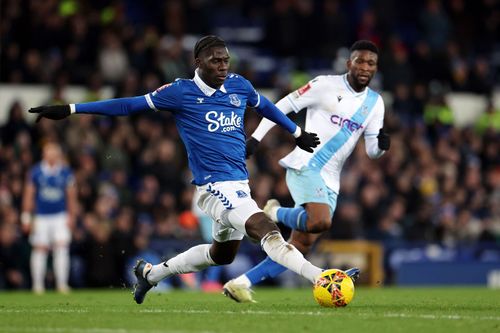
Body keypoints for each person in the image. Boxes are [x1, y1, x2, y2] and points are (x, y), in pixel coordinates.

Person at [29, 35, 349, 305]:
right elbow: (128, 105)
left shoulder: (238, 86)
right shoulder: (180, 92)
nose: (223, 66)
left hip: (239, 183)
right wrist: (71, 109)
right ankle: (321, 278)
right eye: (215, 61)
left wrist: (296, 133)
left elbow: (263, 104)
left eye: (226, 60)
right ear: (198, 62)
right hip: (213, 186)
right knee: (265, 227)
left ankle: (151, 274)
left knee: (221, 255)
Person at [223, 40, 390, 302]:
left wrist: (380, 147)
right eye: (360, 61)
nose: (365, 67)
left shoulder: (375, 103)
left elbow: (371, 150)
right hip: (306, 165)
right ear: (349, 63)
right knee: (320, 221)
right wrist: (256, 137)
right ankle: (274, 212)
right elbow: (283, 106)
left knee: (299, 247)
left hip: (330, 180)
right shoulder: (325, 85)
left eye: (371, 63)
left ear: (376, 68)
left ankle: (239, 283)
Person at [21, 142, 77, 294]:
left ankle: (62, 285)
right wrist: (26, 217)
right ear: (44, 154)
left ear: (58, 155)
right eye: (49, 152)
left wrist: (72, 216)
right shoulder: (36, 172)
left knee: (62, 248)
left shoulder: (66, 172)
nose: (52, 155)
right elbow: (29, 195)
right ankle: (38, 286)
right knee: (39, 249)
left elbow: (71, 196)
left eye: (54, 152)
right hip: (41, 216)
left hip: (60, 215)